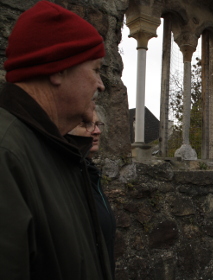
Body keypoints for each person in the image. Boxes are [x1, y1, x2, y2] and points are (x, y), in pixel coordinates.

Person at [0, 1, 112, 279]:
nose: (101, 84)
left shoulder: (56, 149)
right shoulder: (7, 154)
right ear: (58, 69)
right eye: (96, 69)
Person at [69, 109, 117, 278]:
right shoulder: (67, 177)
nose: (97, 131)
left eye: (97, 124)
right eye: (87, 124)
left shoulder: (90, 174)